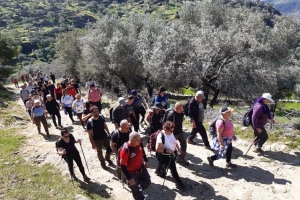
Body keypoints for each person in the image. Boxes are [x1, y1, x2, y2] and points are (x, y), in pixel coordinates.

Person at [155, 121, 186, 191]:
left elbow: (174, 141)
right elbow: (157, 149)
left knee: (162, 165)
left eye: (173, 130)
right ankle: (179, 182)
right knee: (173, 169)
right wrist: (168, 151)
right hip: (164, 155)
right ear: (166, 129)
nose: (172, 132)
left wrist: (178, 148)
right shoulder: (161, 136)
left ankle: (158, 171)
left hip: (171, 153)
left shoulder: (171, 133)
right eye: (171, 130)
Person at [119, 132, 151, 200]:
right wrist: (130, 178)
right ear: (131, 140)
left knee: (147, 181)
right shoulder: (125, 149)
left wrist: (145, 159)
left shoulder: (139, 143)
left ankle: (138, 188)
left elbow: (142, 151)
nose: (139, 141)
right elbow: (122, 166)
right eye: (137, 140)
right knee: (135, 191)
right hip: (131, 172)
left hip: (140, 167)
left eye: (140, 139)